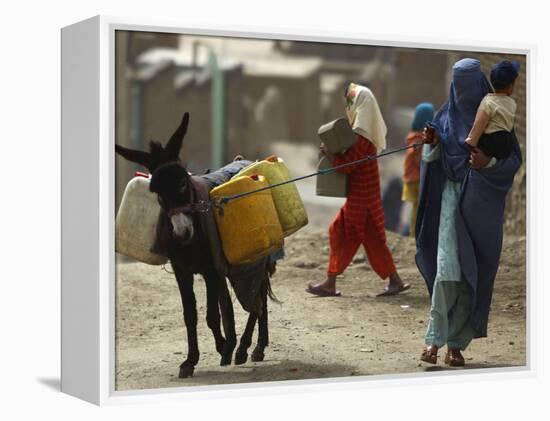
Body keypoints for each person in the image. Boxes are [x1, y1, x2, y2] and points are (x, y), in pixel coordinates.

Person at [416, 58, 522, 366]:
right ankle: (433, 340)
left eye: (468, 86)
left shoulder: (497, 115)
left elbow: (512, 161)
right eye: (458, 86)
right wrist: (432, 144)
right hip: (450, 203)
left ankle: (456, 345)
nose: (463, 93)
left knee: (469, 276)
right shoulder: (444, 118)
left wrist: (486, 163)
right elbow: (433, 159)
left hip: (480, 209)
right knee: (448, 270)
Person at [306, 83, 410, 297]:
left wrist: (331, 155)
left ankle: (331, 282)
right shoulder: (363, 133)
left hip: (361, 200)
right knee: (368, 240)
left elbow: (348, 166)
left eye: (351, 103)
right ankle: (393, 281)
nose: (348, 107)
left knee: (344, 234)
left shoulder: (362, 136)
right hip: (365, 198)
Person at [465, 60, 520, 159]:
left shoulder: (488, 102)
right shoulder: (512, 103)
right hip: (506, 144)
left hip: (491, 142)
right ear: (510, 86)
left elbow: (479, 124)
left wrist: (471, 141)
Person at [401, 103, 435, 237]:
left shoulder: (412, 136)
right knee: (418, 209)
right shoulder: (418, 139)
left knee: (417, 209)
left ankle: (415, 234)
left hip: (413, 178)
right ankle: (414, 235)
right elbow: (418, 159)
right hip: (417, 179)